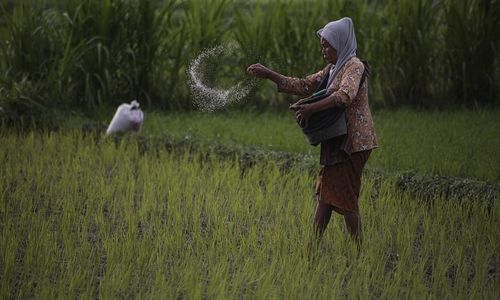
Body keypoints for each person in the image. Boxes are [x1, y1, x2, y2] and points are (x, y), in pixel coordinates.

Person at [247, 17, 378, 245]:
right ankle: (311, 249)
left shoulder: (354, 66)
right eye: (322, 45)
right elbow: (304, 85)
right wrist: (269, 74)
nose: (324, 50)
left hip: (353, 143)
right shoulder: (333, 69)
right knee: (326, 195)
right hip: (337, 138)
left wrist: (311, 108)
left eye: (328, 45)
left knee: (345, 196)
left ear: (341, 43)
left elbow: (345, 95)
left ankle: (358, 251)